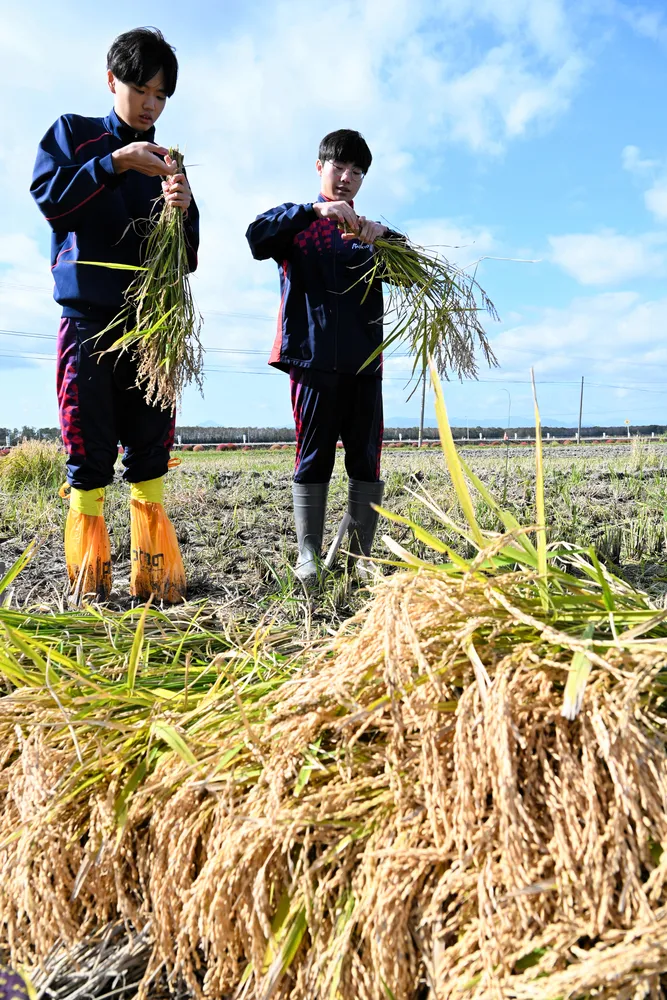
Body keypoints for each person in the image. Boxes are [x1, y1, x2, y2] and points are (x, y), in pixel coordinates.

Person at [31, 27, 198, 603]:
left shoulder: (169, 161)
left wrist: (185, 208)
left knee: (151, 438)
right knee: (90, 437)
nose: (151, 103)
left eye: (161, 95)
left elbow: (187, 257)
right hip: (88, 312)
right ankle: (91, 583)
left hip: (152, 319)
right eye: (141, 88)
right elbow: (50, 198)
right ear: (112, 81)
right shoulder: (73, 135)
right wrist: (115, 163)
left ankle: (154, 578)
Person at [246, 129, 395, 584]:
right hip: (311, 363)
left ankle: (356, 558)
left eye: (357, 172)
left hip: (364, 365)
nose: (347, 178)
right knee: (313, 457)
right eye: (339, 168)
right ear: (320, 168)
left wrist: (387, 238)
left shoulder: (369, 236)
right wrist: (313, 210)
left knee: (365, 461)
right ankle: (308, 551)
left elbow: (415, 272)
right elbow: (256, 237)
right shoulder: (298, 226)